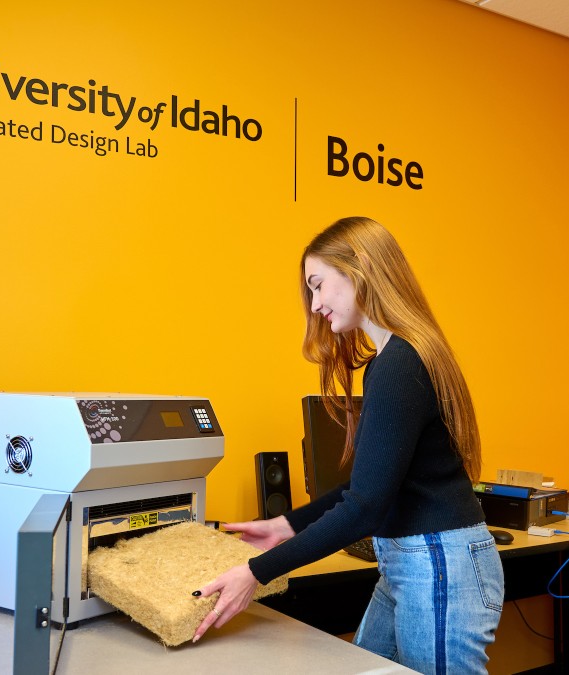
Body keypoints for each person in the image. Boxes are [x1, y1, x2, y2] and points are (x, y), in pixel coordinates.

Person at [192, 216, 503, 674]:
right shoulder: (397, 357)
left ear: (359, 268)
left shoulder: (400, 361)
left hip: (437, 564)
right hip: (414, 560)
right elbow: (370, 488)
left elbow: (366, 507)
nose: (315, 304)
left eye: (318, 285)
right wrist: (286, 525)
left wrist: (256, 573)